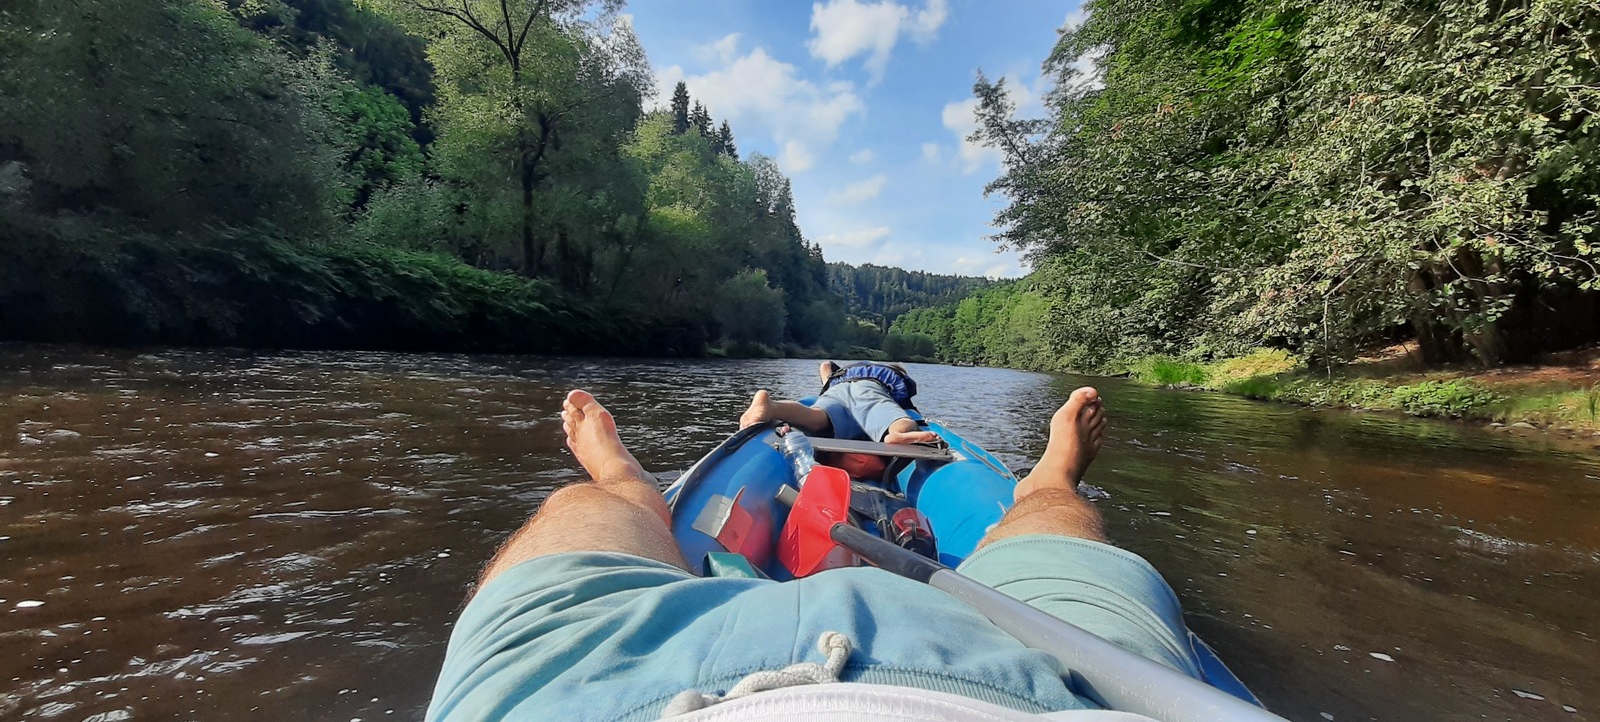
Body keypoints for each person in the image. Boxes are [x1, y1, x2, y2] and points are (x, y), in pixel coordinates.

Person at [427, 387, 1210, 722]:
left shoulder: (876, 389)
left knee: (578, 513)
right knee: (1052, 527)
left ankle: (624, 484)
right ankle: (1052, 479)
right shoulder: (864, 389)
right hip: (1058, 685)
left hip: (593, 693)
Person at [738, 361, 939, 445]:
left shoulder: (838, 377)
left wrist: (830, 368)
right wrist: (908, 419)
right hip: (868, 392)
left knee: (816, 417)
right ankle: (897, 434)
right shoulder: (885, 378)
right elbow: (905, 406)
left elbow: (825, 367)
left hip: (836, 393)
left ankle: (772, 406)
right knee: (899, 419)